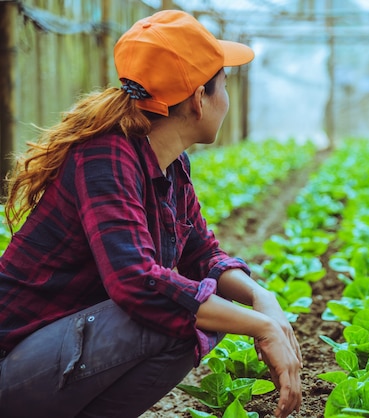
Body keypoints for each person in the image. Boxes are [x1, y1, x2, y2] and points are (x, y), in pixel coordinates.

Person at [0, 9, 302, 418]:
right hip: (13, 364)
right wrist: (260, 327)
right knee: (177, 313)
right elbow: (136, 282)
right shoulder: (105, 156)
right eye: (224, 85)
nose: (226, 98)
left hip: (53, 354)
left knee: (191, 308)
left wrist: (262, 300)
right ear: (199, 99)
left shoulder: (169, 163)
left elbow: (202, 254)